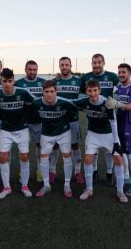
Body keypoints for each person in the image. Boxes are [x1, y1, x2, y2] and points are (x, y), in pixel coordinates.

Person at [72, 79, 128, 203]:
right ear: (86, 91)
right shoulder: (84, 101)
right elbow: (70, 103)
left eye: (95, 90)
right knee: (88, 159)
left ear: (99, 90)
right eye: (90, 91)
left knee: (118, 159)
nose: (92, 93)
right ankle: (89, 189)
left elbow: (114, 123)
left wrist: (116, 142)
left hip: (108, 134)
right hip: (93, 134)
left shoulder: (107, 103)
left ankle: (120, 191)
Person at [0, 68, 35, 199]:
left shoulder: (23, 92)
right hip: (6, 130)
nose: (7, 83)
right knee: (3, 157)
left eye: (9, 81)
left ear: (13, 81)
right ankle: (6, 187)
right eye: (4, 81)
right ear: (1, 81)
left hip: (22, 129)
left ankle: (25, 186)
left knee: (24, 156)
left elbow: (35, 104)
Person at [30, 80, 78, 198]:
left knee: (66, 156)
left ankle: (67, 185)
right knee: (44, 157)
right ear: (42, 92)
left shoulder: (66, 103)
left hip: (63, 132)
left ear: (56, 91)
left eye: (52, 91)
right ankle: (46, 185)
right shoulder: (35, 103)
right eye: (46, 91)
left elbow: (76, 111)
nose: (49, 94)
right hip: (46, 133)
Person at [80, 53, 120, 185]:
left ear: (103, 63)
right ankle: (95, 172)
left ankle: (109, 173)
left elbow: (123, 88)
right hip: (92, 116)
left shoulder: (112, 76)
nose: (96, 65)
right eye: (94, 62)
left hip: (107, 113)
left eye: (99, 62)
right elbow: (78, 90)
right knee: (93, 150)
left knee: (109, 152)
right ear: (91, 63)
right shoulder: (86, 77)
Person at [106, 63, 131, 196]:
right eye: (119, 72)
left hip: (130, 126)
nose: (121, 74)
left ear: (129, 73)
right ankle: (126, 177)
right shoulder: (119, 87)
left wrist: (117, 104)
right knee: (123, 153)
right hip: (119, 125)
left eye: (123, 72)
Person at [52, 56, 85, 184]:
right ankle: (52, 171)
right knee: (54, 146)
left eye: (67, 65)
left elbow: (91, 91)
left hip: (73, 119)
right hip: (57, 120)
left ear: (71, 66)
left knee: (75, 145)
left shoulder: (78, 81)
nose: (64, 67)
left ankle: (77, 172)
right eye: (62, 65)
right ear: (59, 66)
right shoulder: (55, 81)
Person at [15, 60, 46, 182]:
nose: (32, 72)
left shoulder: (43, 83)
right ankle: (23, 172)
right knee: (23, 149)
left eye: (35, 70)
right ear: (25, 70)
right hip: (23, 122)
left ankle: (40, 170)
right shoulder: (18, 83)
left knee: (40, 147)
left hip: (39, 121)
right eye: (30, 69)